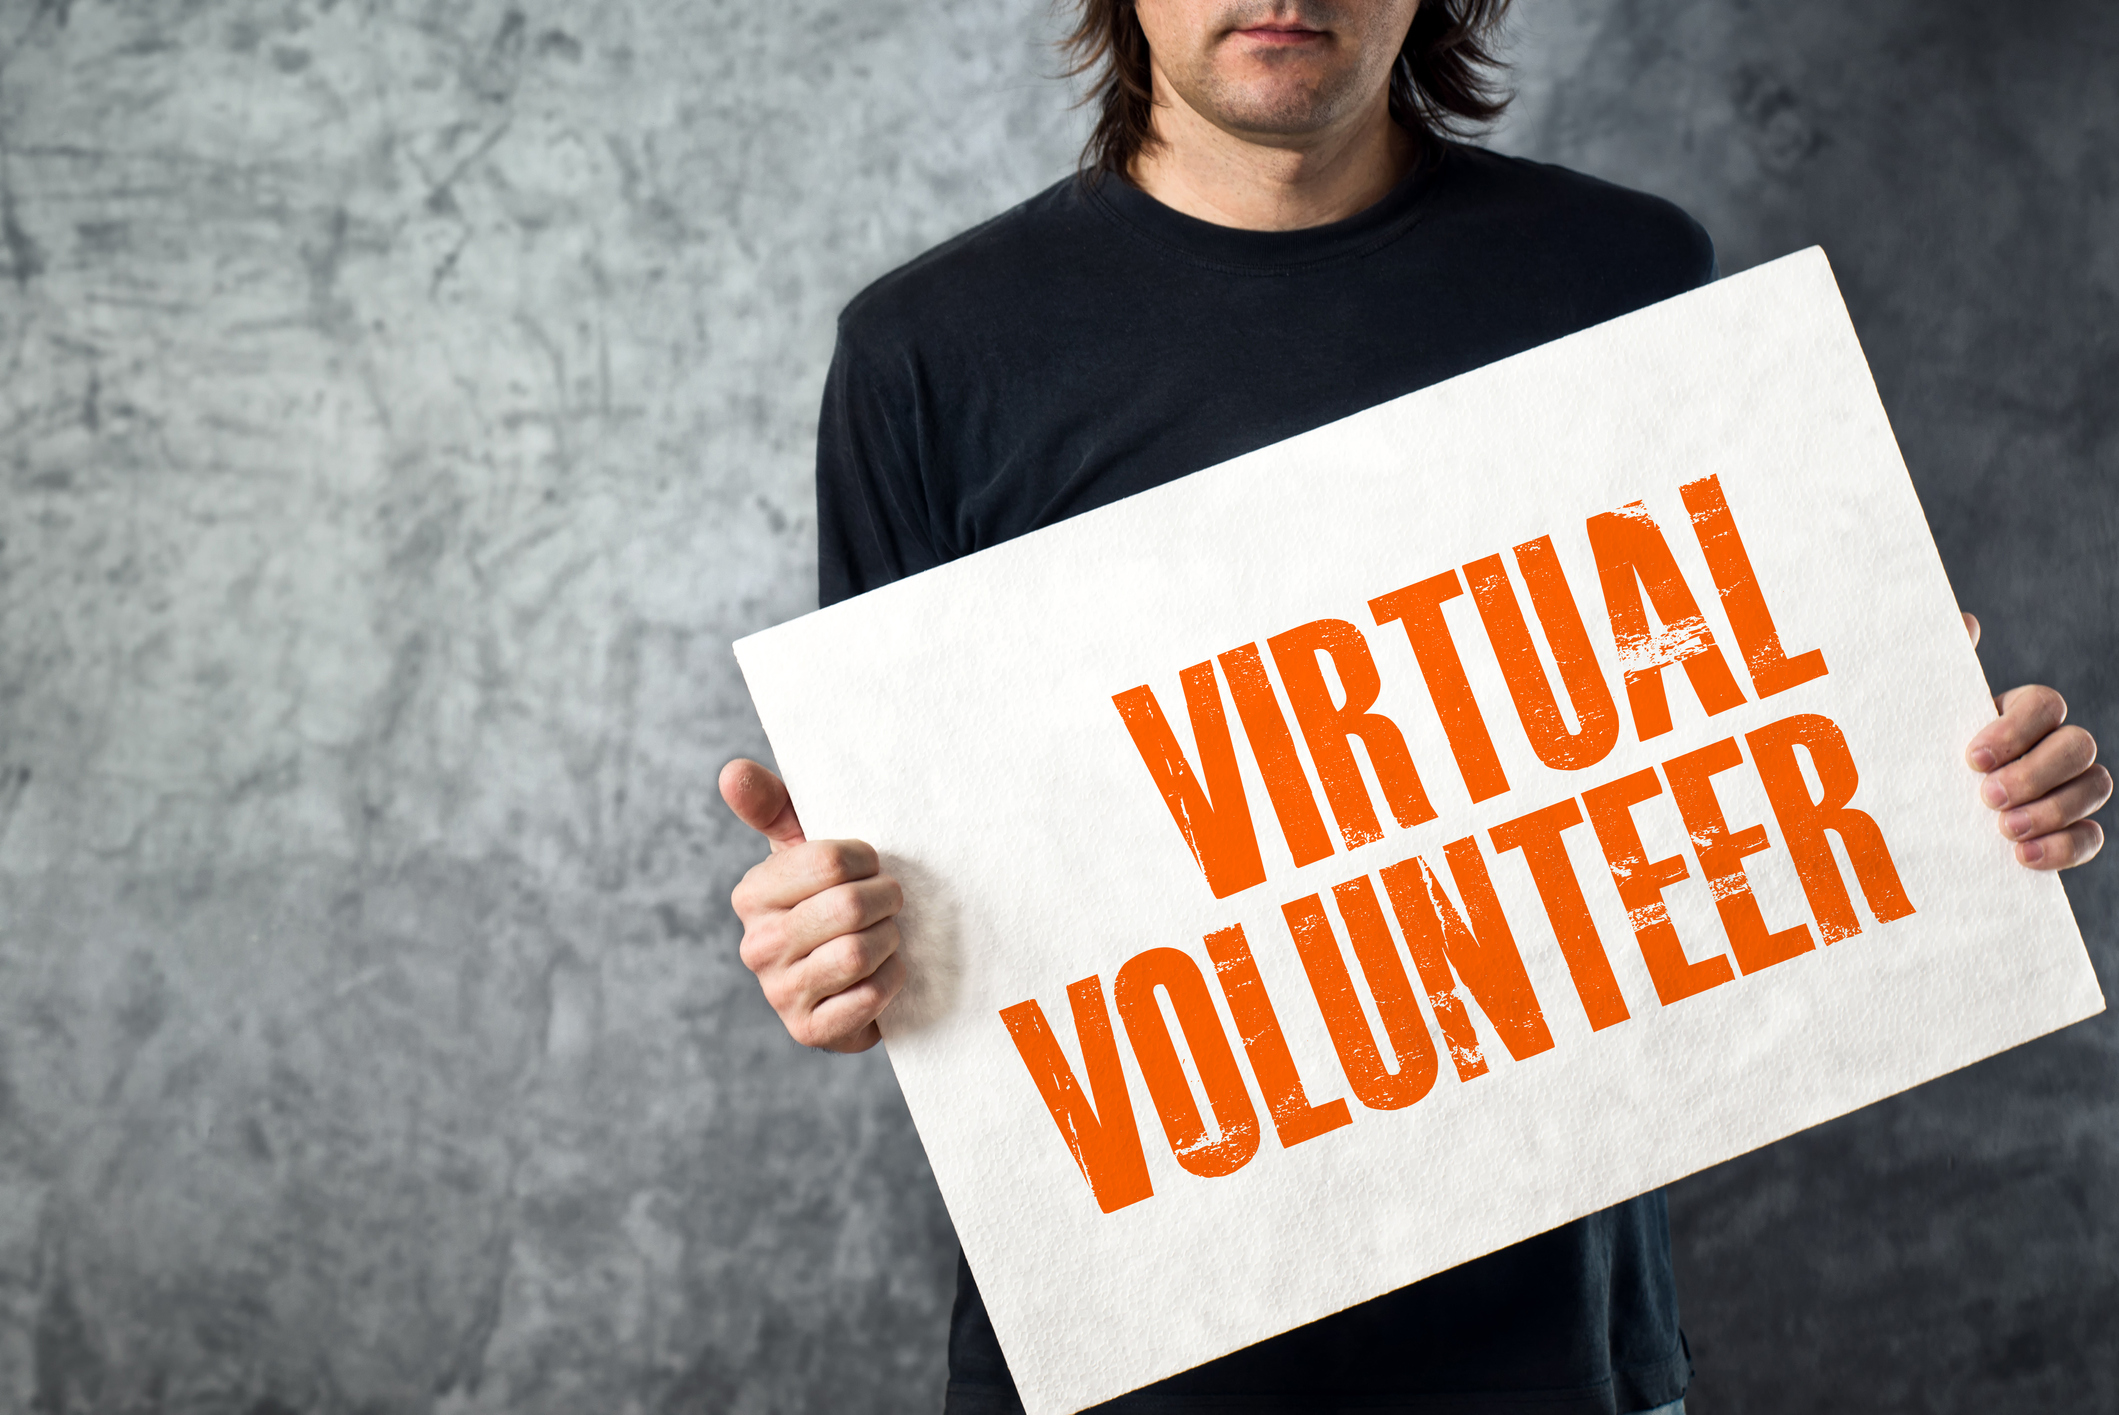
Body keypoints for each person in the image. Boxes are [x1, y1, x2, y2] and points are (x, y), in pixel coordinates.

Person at [718, 2, 2112, 1411]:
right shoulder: (927, 361)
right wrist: (839, 952)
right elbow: (897, 903)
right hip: (1125, 1365)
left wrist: (1956, 779)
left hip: (1558, 1356)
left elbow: (1729, 765)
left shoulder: (1620, 278)